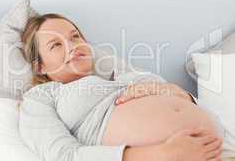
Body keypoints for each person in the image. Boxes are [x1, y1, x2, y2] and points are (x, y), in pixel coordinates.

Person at [19, 13, 222, 161]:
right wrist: (165, 154)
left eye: (75, 37)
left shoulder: (121, 74)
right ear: (40, 66)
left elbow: (181, 99)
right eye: (56, 44)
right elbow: (63, 156)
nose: (72, 46)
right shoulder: (41, 97)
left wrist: (179, 94)